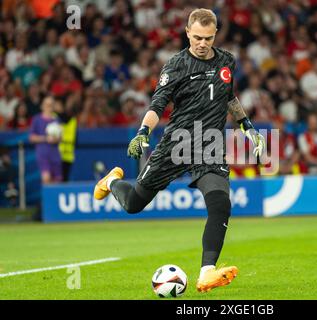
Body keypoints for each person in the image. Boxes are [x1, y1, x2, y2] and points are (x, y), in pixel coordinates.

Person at [93, 9, 265, 293]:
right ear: (187, 33)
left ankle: (207, 273)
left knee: (221, 204)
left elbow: (229, 96)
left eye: (208, 38)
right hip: (177, 143)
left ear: (215, 35)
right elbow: (157, 106)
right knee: (134, 203)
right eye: (197, 37)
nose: (202, 43)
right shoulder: (175, 66)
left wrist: (247, 125)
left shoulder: (226, 61)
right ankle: (111, 181)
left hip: (209, 144)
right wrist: (142, 132)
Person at [29, 96, 63, 184]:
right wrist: (45, 138)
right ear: (42, 106)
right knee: (46, 179)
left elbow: (60, 138)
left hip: (55, 154)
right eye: (47, 105)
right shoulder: (37, 119)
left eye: (51, 105)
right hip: (43, 154)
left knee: (57, 181)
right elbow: (31, 137)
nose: (49, 107)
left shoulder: (56, 120)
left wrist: (56, 139)